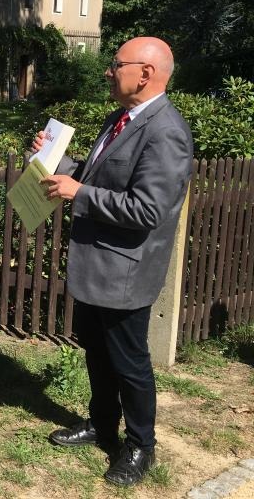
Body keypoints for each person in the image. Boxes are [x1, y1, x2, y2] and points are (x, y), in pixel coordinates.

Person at [35, 37, 193, 486]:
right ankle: (101, 423)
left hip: (125, 270)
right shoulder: (120, 119)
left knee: (129, 362)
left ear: (145, 73)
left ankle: (141, 444)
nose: (109, 71)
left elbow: (148, 210)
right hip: (96, 266)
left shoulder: (167, 132)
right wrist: (53, 159)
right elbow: (92, 174)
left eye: (116, 64)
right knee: (97, 352)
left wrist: (79, 193)